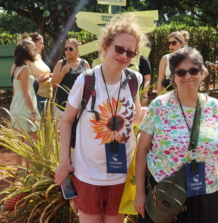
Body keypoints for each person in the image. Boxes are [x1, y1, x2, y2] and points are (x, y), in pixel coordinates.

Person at [54, 14, 148, 223]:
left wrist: (164, 111)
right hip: (88, 171)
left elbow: (135, 117)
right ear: (105, 47)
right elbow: (66, 119)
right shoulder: (86, 80)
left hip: (121, 174)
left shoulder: (134, 80)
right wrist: (64, 161)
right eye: (119, 49)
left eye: (130, 52)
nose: (124, 55)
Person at [135, 46, 218, 223]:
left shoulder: (215, 107)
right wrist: (139, 193)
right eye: (181, 72)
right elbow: (142, 150)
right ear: (173, 77)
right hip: (167, 195)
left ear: (201, 73)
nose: (188, 76)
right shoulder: (159, 106)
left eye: (193, 70)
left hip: (209, 194)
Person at [9, 39, 40, 165]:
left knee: (18, 142)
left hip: (15, 106)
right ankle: (30, 173)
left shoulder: (15, 66)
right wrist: (33, 112)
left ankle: (19, 170)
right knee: (30, 144)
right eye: (33, 49)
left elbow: (15, 89)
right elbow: (26, 92)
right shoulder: (25, 69)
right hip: (25, 107)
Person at [52, 38, 91, 111]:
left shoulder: (84, 64)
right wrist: (63, 72)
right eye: (65, 49)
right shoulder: (61, 63)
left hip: (81, 105)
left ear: (77, 50)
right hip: (62, 106)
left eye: (70, 49)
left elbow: (91, 83)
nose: (67, 51)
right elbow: (53, 84)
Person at [24, 33, 52, 114]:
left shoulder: (39, 56)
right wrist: (38, 80)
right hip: (37, 95)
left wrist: (50, 75)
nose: (43, 46)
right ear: (33, 43)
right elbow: (25, 77)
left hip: (48, 95)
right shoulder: (27, 59)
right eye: (41, 43)